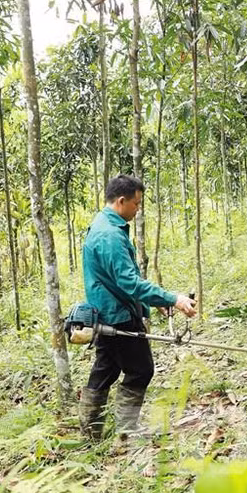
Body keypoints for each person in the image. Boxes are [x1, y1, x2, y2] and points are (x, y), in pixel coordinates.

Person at [79, 174, 197, 440]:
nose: (138, 209)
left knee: (105, 369)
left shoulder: (103, 225)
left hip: (107, 313)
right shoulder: (109, 236)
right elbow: (129, 282)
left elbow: (120, 280)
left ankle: (89, 433)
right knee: (141, 369)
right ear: (121, 201)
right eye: (136, 203)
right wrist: (172, 299)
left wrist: (152, 303)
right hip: (118, 317)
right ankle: (125, 431)